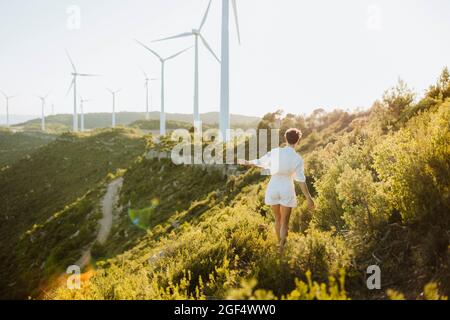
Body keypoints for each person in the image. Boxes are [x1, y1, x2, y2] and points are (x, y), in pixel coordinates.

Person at [238, 128, 314, 254]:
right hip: (286, 188)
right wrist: (308, 198)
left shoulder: (275, 152)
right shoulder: (297, 158)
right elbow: (301, 180)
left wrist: (247, 162)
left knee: (277, 219)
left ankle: (280, 244)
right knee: (285, 222)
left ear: (285, 138)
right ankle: (282, 249)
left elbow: (259, 162)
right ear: (298, 141)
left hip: (273, 187)